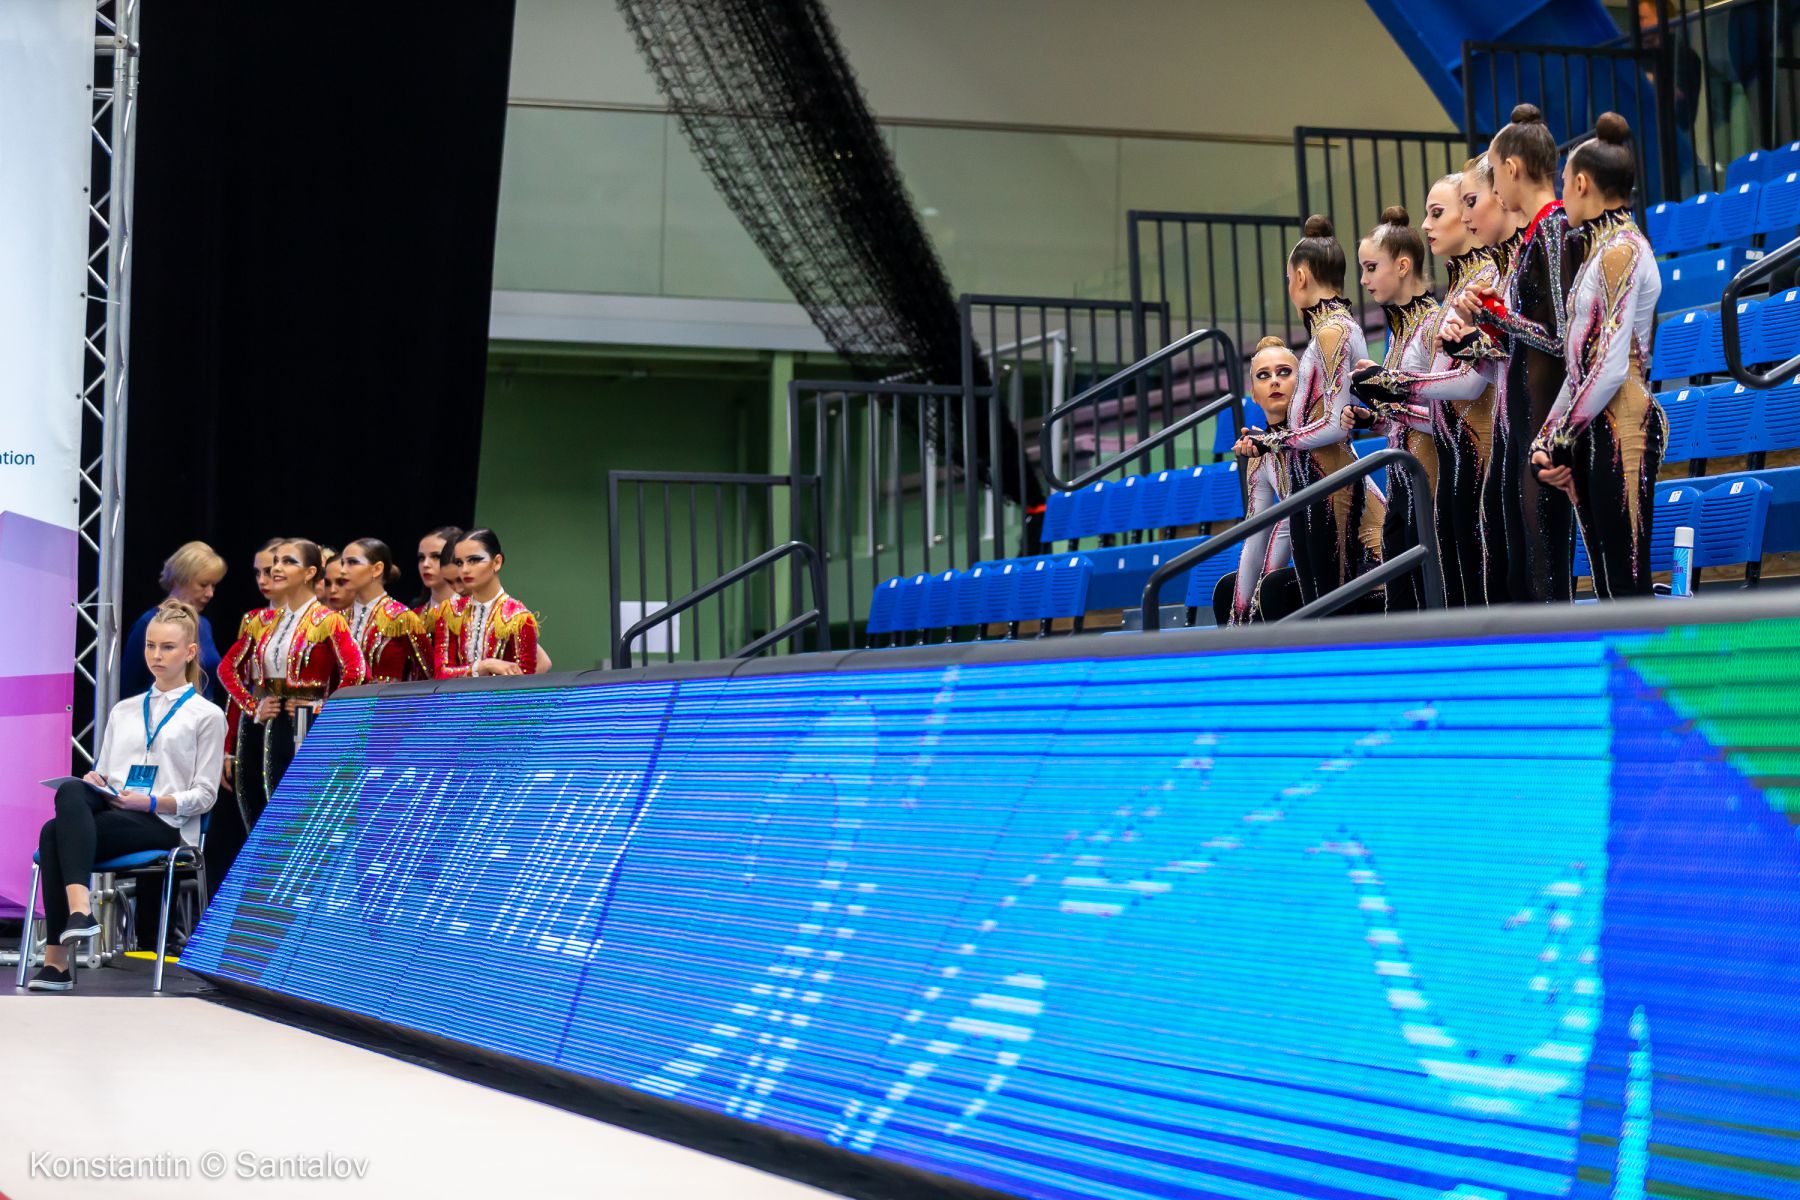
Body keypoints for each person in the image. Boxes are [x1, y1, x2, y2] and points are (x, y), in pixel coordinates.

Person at [28, 602, 226, 991]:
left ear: (189, 652)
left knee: (53, 833)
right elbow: (106, 770)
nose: (156, 655)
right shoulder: (124, 710)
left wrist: (149, 802)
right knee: (71, 788)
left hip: (164, 824)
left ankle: (58, 962)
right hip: (115, 811)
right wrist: (98, 779)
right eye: (150, 646)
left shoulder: (206, 715)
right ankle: (80, 912)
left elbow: (205, 795)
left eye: (167, 647)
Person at [1532, 114, 1666, 599]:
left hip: (1623, 421)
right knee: (1608, 585)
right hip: (1595, 423)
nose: (1561, 194)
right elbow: (1580, 369)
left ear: (1583, 183)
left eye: (1564, 183)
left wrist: (1560, 435)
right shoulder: (1601, 250)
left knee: (1625, 583)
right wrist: (1547, 438)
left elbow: (1609, 368)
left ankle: (1646, 655)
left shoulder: (1621, 250)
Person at [1457, 103, 1577, 604]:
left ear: (1511, 168)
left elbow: (1561, 339)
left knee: (1543, 573)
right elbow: (1527, 341)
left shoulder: (1554, 228)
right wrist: (1488, 326)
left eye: (1493, 174)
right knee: (1518, 571)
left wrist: (1496, 313)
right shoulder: (1536, 234)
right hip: (1524, 420)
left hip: (1544, 421)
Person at [1239, 215, 1385, 610]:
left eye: (1289, 279)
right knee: (1315, 600)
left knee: (1328, 605)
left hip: (1329, 481)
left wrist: (1275, 441)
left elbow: (1336, 425)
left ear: (1301, 277)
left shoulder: (1332, 331)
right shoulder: (1331, 330)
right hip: (1318, 479)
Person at [221, 539, 365, 829]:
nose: (276, 568)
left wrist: (322, 707)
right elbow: (227, 669)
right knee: (255, 809)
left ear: (310, 572)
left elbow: (357, 671)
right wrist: (252, 707)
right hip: (261, 723)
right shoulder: (261, 620)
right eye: (275, 561)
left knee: (295, 813)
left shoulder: (328, 620)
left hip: (302, 723)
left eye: (288, 562)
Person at [1344, 206, 1441, 611]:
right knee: (1399, 605)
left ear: (1402, 266)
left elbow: (1445, 420)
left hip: (1431, 482)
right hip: (1402, 480)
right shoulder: (1399, 333)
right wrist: (1374, 416)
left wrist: (1387, 391)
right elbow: (1405, 414)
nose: (1363, 280)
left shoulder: (1433, 325)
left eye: (1371, 268)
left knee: (1426, 600)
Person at [1215, 337, 1305, 625]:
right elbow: (1256, 534)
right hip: (1312, 560)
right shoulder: (1259, 453)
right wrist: (1240, 614)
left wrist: (1258, 592)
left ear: (1301, 381)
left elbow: (1291, 519)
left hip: (1359, 562)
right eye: (1264, 376)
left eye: (1284, 372)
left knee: (1271, 589)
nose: (1274, 381)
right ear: (1254, 393)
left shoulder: (1316, 436)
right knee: (1229, 590)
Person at [118, 542, 225, 703]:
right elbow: (127, 688)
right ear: (180, 579)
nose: (210, 593)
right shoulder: (148, 624)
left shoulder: (204, 625)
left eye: (213, 585)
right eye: (203, 585)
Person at [433, 529, 540, 678]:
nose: (464, 569)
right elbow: (441, 673)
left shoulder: (518, 617)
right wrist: (485, 666)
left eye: (474, 560)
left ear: (496, 562)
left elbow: (524, 680)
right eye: (459, 562)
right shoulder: (451, 611)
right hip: (456, 694)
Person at [341, 538, 433, 682]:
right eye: (343, 563)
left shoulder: (401, 617)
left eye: (352, 562)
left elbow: (429, 673)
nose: (342, 570)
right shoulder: (339, 618)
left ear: (377, 569)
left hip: (386, 696)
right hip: (342, 696)